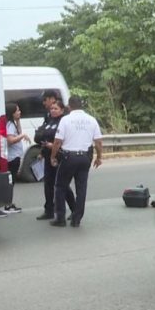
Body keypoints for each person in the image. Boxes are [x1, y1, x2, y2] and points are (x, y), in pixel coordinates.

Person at [49, 95, 103, 227]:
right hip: (85, 157)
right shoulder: (91, 120)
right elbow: (98, 142)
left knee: (60, 187)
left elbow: (57, 141)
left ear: (69, 106)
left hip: (69, 157)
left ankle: (60, 218)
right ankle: (77, 218)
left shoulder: (66, 120)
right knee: (81, 188)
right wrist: (99, 157)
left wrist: (53, 156)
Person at [34, 98, 75, 220]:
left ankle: (74, 209)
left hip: (59, 157)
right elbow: (44, 137)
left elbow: (66, 140)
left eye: (56, 108)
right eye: (51, 108)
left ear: (62, 110)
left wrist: (54, 146)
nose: (53, 110)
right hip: (47, 156)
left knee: (62, 185)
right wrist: (42, 151)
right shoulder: (49, 120)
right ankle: (49, 210)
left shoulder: (64, 121)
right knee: (48, 185)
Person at [3, 102, 31, 213]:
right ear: (12, 113)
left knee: (11, 182)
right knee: (11, 181)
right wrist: (22, 136)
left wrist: (18, 121)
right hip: (12, 157)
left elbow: (18, 132)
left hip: (15, 156)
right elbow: (10, 140)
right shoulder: (9, 124)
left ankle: (8, 204)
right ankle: (8, 205)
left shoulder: (12, 123)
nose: (20, 112)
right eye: (17, 111)